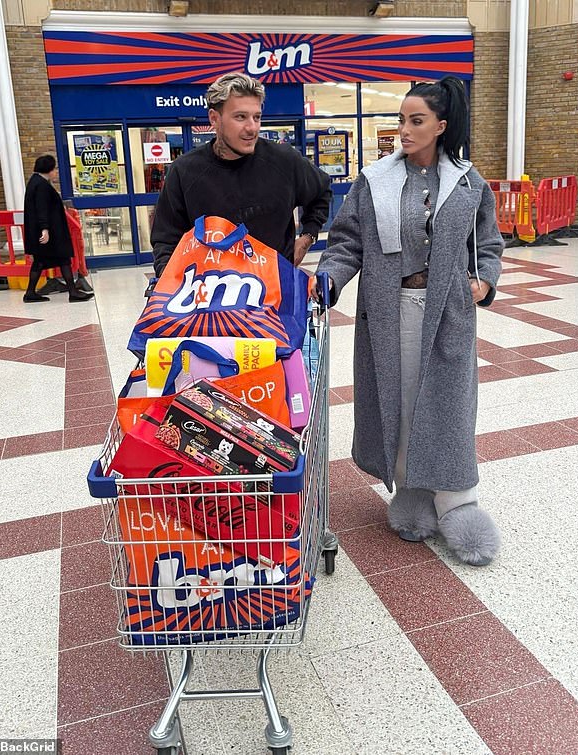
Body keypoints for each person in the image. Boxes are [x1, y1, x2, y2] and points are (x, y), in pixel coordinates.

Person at [312, 77, 504, 566]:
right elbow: (346, 242)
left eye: (416, 121)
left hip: (446, 316)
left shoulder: (467, 183)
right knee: (399, 402)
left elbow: (487, 245)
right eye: (401, 119)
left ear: (441, 126)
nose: (404, 129)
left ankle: (457, 502)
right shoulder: (374, 180)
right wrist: (329, 279)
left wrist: (482, 282)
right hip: (389, 314)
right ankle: (414, 494)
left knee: (448, 406)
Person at [151, 72, 332, 276]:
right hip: (211, 296)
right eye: (240, 117)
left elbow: (322, 191)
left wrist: (308, 236)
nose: (252, 128)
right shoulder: (185, 171)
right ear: (214, 118)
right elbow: (166, 239)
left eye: (257, 117)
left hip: (277, 291)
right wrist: (171, 280)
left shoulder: (284, 160)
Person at [23, 155, 94, 303]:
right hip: (51, 233)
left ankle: (31, 292)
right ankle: (72, 292)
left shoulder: (35, 182)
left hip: (46, 231)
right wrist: (45, 229)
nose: (55, 172)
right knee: (62, 259)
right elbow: (41, 208)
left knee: (42, 261)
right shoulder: (41, 185)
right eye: (54, 169)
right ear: (48, 170)